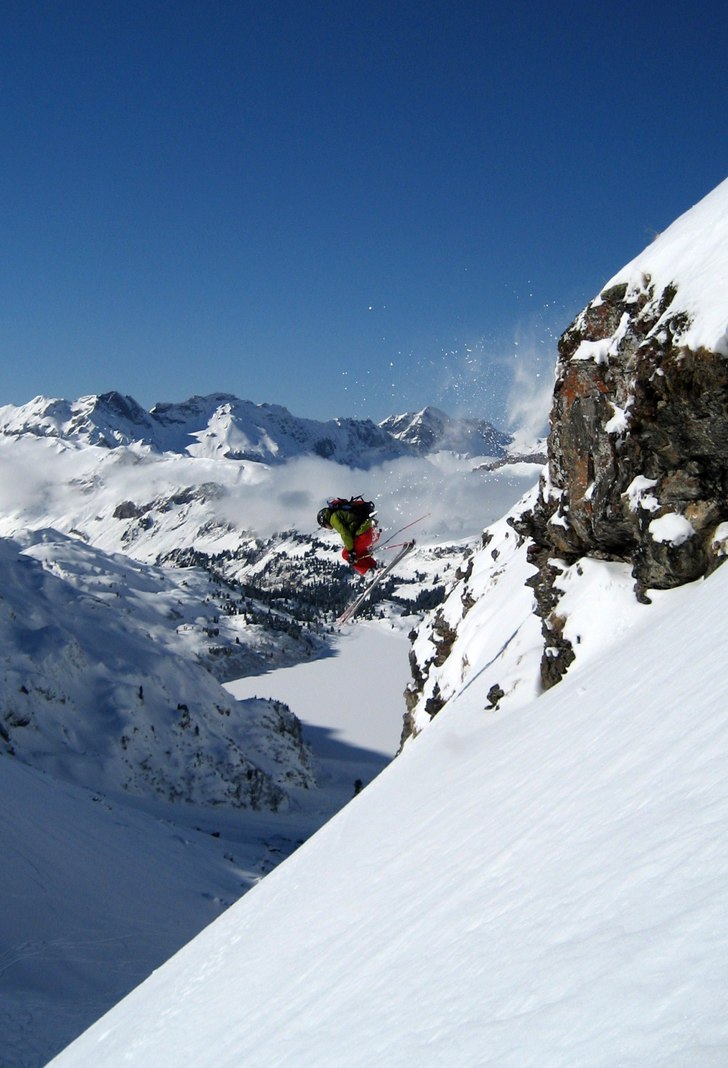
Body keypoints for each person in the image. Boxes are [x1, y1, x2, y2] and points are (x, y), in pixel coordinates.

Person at [317, 497, 380, 575]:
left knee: (346, 554)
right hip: (373, 531)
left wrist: (351, 551)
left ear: (324, 520)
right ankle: (375, 569)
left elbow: (345, 533)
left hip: (365, 535)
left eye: (324, 526)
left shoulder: (333, 518)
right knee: (360, 552)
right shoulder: (341, 512)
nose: (326, 528)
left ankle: (369, 572)